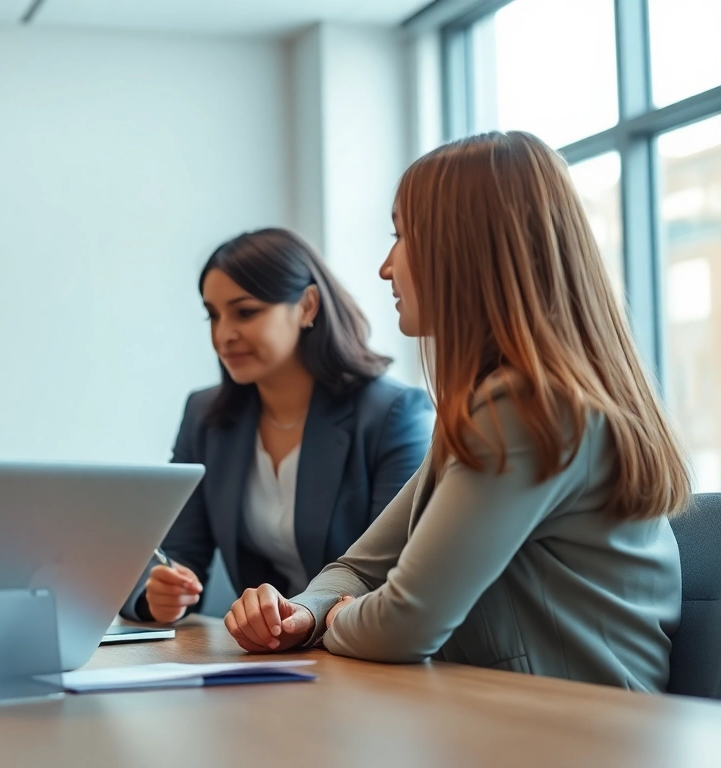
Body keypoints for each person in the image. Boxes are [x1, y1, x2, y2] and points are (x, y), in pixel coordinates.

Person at [223, 131, 690, 692]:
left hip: (572, 738)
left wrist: (340, 617)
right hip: (502, 720)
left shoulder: (529, 408)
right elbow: (358, 570)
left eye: (402, 236)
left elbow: (404, 623)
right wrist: (305, 615)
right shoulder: (489, 410)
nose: (385, 268)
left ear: (464, 248)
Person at [120, 228, 432, 624]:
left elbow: (392, 572)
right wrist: (161, 594)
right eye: (213, 316)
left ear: (307, 305)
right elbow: (175, 554)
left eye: (245, 312)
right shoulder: (206, 417)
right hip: (262, 650)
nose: (223, 335)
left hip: (361, 646)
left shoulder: (393, 413)